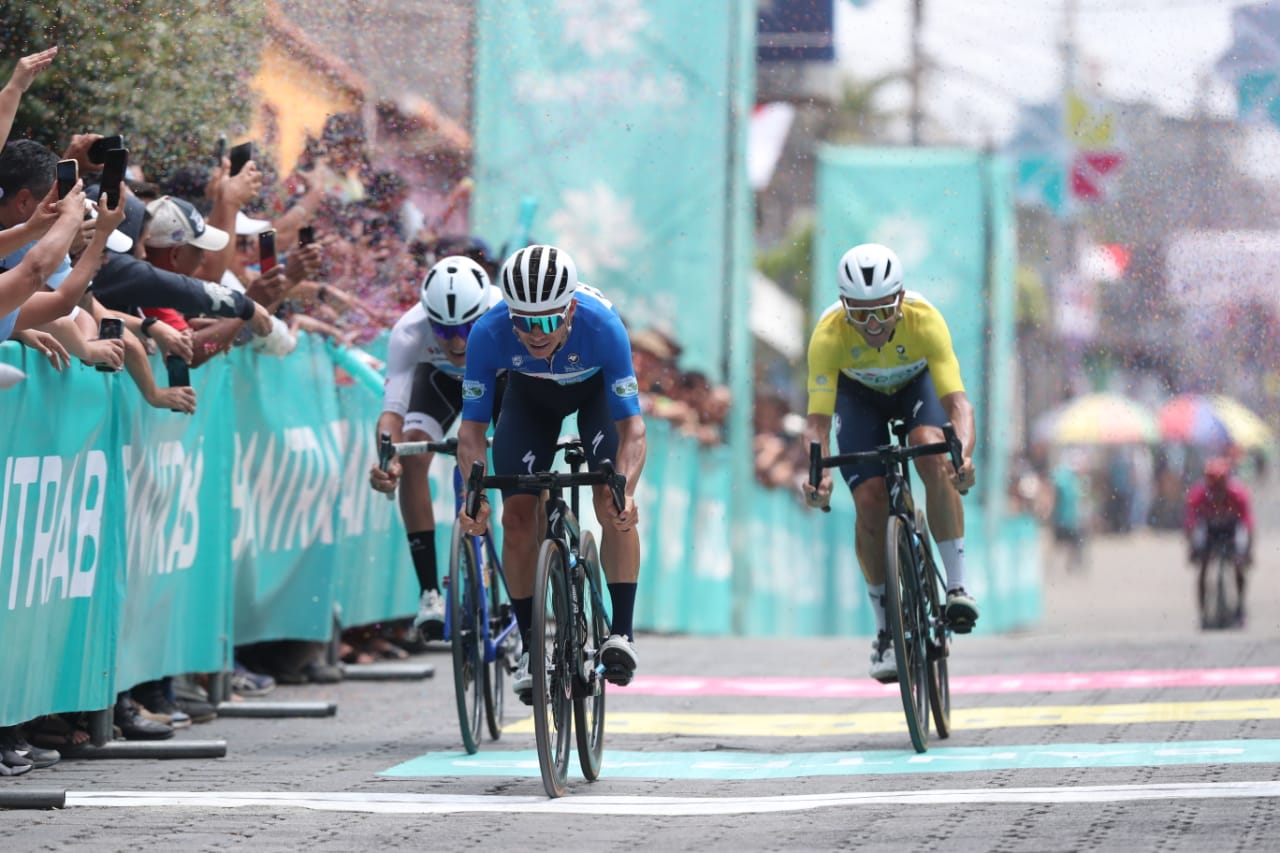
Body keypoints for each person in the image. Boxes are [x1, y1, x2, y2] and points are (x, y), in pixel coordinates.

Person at [456, 244, 646, 702]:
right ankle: (529, 645)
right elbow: (472, 432)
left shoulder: (602, 326)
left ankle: (621, 633)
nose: (534, 334)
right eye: (523, 321)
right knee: (515, 518)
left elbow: (633, 428)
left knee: (610, 503)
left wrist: (628, 489)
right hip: (529, 400)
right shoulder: (489, 331)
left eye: (545, 322)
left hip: (593, 394)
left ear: (570, 311)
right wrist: (473, 494)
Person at [801, 243, 978, 683]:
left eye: (882, 311)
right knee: (869, 498)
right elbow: (817, 423)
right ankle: (884, 632)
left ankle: (956, 586)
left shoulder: (925, 321)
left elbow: (959, 405)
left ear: (900, 299)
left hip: (917, 388)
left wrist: (963, 456)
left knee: (929, 447)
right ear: (844, 307)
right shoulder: (828, 335)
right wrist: (817, 474)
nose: (873, 325)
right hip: (858, 398)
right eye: (860, 314)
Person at [368, 255, 503, 639]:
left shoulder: (505, 315)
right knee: (413, 452)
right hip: (440, 382)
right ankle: (429, 591)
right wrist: (386, 458)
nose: (458, 340)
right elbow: (392, 414)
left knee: (520, 459)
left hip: (498, 379)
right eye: (444, 331)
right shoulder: (409, 330)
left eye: (467, 327)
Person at [1184, 457, 1254, 628]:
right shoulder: (1198, 494)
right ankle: (1202, 614)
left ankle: (1240, 608)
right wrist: (1193, 549)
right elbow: (1191, 525)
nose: (1217, 489)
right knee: (1203, 568)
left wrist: (1246, 552)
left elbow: (1247, 525)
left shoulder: (1238, 493)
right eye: (1213, 484)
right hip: (1210, 529)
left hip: (1231, 527)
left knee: (1238, 565)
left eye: (1220, 483)